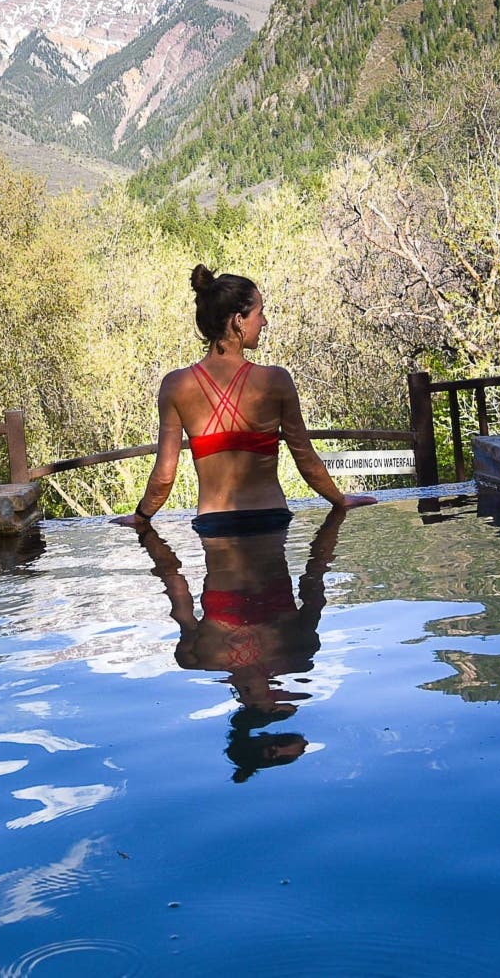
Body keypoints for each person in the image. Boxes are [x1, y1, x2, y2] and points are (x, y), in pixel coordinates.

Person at [112, 265, 375, 538]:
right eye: (260, 313)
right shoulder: (276, 381)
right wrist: (339, 500)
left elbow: (164, 476)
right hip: (271, 519)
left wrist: (141, 516)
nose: (264, 322)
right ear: (239, 320)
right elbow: (305, 459)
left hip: (214, 524)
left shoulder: (175, 385)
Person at [131, 506, 347, 781]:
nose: (290, 700)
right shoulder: (196, 660)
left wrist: (146, 530)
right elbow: (175, 586)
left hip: (241, 520)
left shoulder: (298, 654)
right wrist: (148, 536)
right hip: (239, 520)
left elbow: (315, 580)